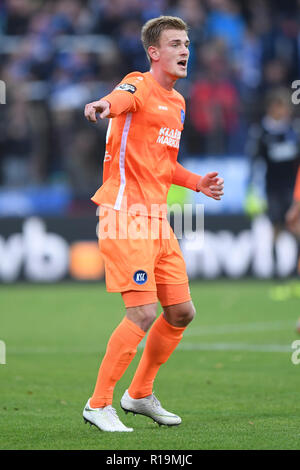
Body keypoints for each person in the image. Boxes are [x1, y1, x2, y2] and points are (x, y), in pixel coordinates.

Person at [83, 16, 224, 433]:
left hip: (157, 220)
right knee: (143, 312)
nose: (185, 51)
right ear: (154, 52)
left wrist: (197, 182)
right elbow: (117, 100)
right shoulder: (138, 84)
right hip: (124, 215)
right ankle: (98, 403)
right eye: (176, 44)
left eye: (188, 44)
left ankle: (139, 394)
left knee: (180, 312)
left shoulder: (178, 103)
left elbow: (164, 164)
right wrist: (100, 106)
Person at [246, 87, 300, 268]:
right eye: (281, 107)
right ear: (272, 108)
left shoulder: (293, 130)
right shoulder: (261, 132)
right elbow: (254, 162)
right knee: (276, 227)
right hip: (272, 189)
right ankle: (277, 271)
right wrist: (253, 188)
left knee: (294, 227)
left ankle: (294, 271)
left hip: (293, 189)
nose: (285, 111)